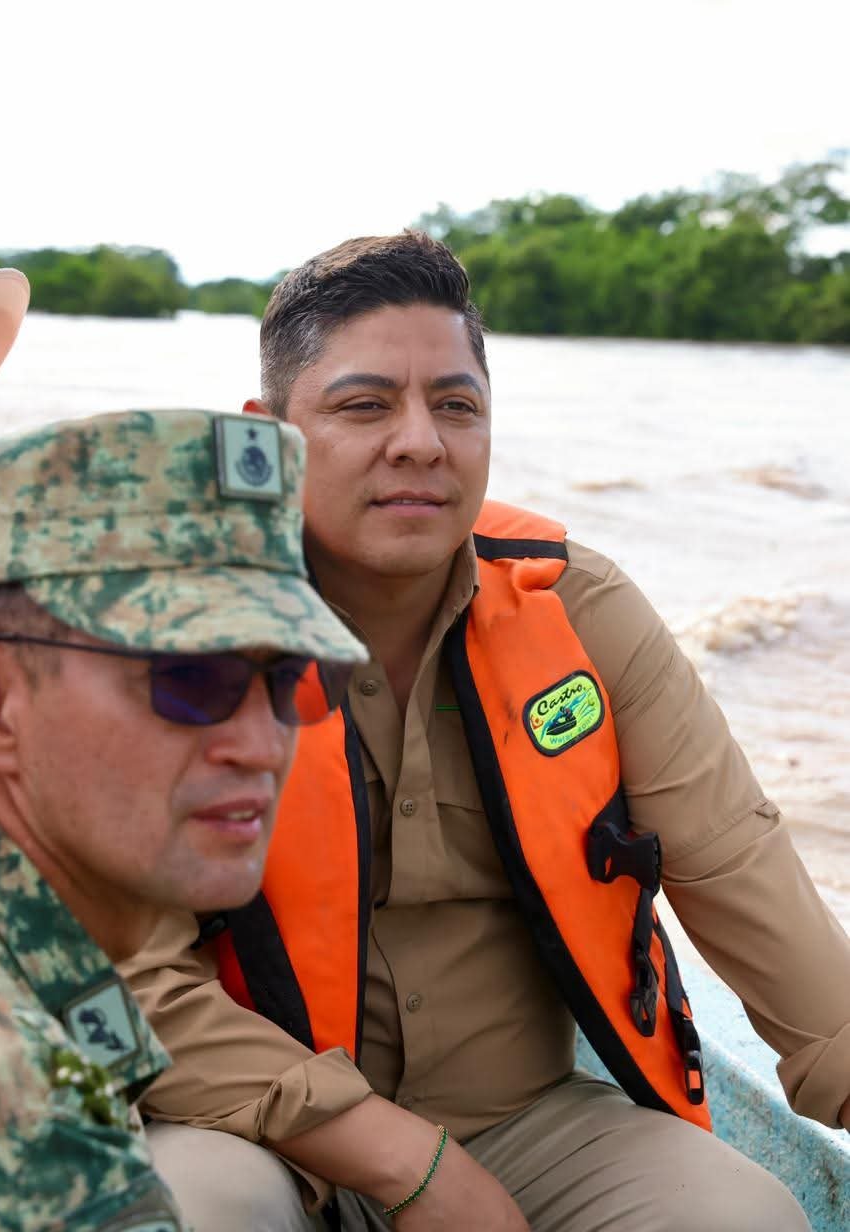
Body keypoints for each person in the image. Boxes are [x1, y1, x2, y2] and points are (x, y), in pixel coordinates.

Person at [124, 233, 850, 1232]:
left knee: (746, 1218)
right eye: (363, 404)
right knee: (176, 1213)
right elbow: (122, 965)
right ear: (266, 435)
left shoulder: (575, 607)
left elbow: (740, 867)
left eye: (455, 405)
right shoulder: (171, 634)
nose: (420, 440)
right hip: (254, 1130)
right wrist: (396, 1156)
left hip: (532, 1121)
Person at [0, 373, 367, 1225]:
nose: (264, 742)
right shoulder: (35, 1113)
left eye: (283, 681)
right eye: (189, 680)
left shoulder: (55, 952)